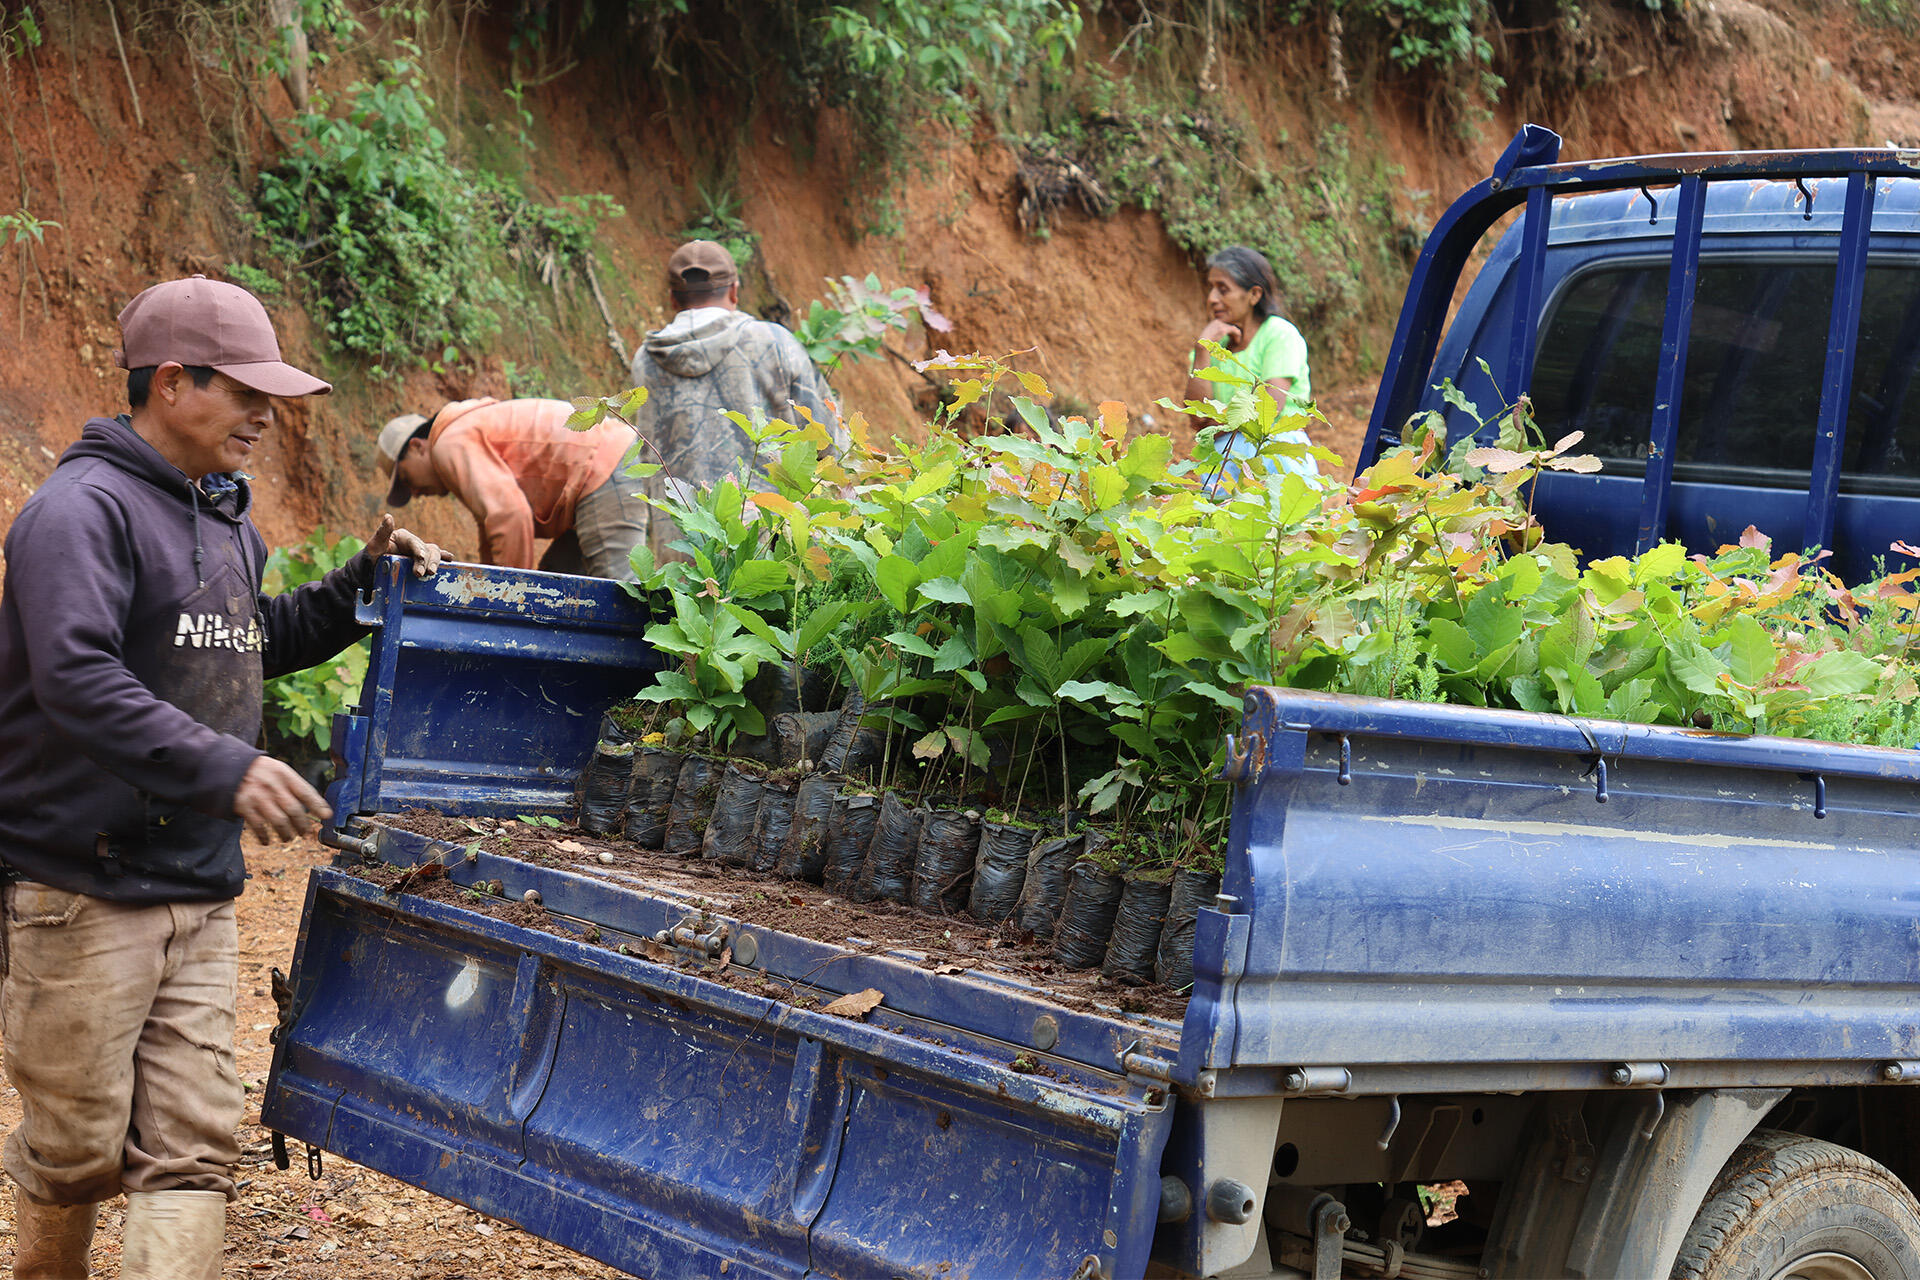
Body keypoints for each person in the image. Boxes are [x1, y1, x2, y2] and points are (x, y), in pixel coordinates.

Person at [0, 275, 442, 1280]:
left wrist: (358, 583)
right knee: (75, 1150)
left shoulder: (227, 520)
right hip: (83, 885)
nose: (265, 415)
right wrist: (228, 766)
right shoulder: (79, 512)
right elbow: (76, 678)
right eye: (244, 392)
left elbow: (246, 641)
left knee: (196, 1147)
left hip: (197, 887)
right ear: (170, 383)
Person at [627, 240, 838, 558]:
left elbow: (645, 455)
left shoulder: (646, 359)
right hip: (767, 545)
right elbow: (828, 441)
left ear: (671, 298)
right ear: (735, 291)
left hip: (682, 551)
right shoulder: (774, 341)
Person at [378, 396, 644, 578]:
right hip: (596, 475)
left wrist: (508, 601)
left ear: (417, 447)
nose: (415, 493)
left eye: (407, 480)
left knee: (620, 595)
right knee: (556, 585)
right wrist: (487, 586)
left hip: (601, 469)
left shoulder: (448, 444)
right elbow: (493, 526)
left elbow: (509, 516)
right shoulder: (463, 430)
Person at [1182, 244, 1318, 482]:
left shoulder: (1279, 334)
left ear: (1254, 294)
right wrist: (1202, 350)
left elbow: (1268, 410)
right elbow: (1197, 418)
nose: (1212, 298)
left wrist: (1217, 424)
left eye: (1223, 289)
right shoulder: (1212, 347)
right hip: (1223, 461)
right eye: (1211, 288)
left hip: (1276, 454)